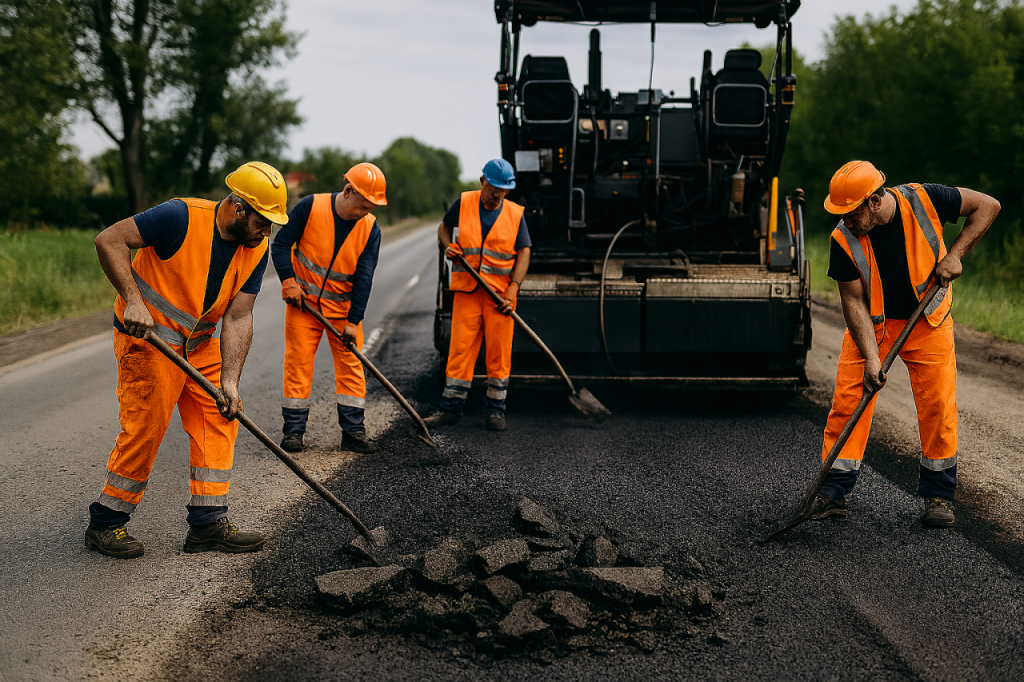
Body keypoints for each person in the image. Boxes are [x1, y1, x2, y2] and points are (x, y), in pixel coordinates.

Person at [86, 161, 288, 559]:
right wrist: (133, 301)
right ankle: (106, 523)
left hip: (200, 345)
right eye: (264, 221)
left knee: (220, 416)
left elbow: (239, 315)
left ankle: (208, 524)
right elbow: (108, 240)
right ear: (238, 208)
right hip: (150, 340)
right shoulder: (180, 216)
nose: (269, 232)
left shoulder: (256, 247)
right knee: (147, 427)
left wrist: (230, 381)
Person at [811, 160, 1000, 527]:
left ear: (875, 202)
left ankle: (938, 497)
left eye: (851, 214)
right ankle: (832, 492)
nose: (846, 222)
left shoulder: (927, 198)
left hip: (927, 321)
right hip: (874, 328)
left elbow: (988, 205)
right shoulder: (843, 238)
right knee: (849, 401)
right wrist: (870, 358)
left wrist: (955, 254)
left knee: (937, 407)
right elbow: (852, 301)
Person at [271, 162, 386, 454]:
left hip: (343, 312)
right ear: (348, 191)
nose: (365, 214)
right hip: (303, 306)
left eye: (371, 209)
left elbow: (364, 277)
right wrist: (288, 282)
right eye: (363, 206)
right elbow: (281, 244)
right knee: (297, 367)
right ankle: (293, 434)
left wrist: (353, 320)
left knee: (351, 369)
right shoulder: (310, 207)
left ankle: (353, 432)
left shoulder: (370, 230)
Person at [433, 158, 531, 432]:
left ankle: (495, 411)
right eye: (493, 188)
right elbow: (443, 227)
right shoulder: (464, 203)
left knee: (499, 355)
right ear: (482, 182)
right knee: (460, 352)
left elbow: (524, 251)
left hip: (500, 297)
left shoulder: (514, 214)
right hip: (467, 292)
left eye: (502, 189)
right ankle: (450, 409)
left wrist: (514, 287)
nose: (496, 194)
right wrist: (448, 245)